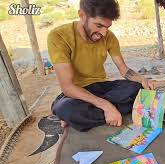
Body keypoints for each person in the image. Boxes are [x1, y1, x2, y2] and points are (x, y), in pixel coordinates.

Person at [48, 0, 153, 132]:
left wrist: (142, 79)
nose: (103, 33)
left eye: (107, 27)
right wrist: (106, 105)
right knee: (68, 109)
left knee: (138, 89)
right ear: (82, 15)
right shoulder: (58, 36)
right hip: (77, 93)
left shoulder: (109, 37)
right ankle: (71, 112)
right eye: (98, 25)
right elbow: (68, 87)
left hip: (102, 87)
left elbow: (123, 69)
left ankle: (84, 115)